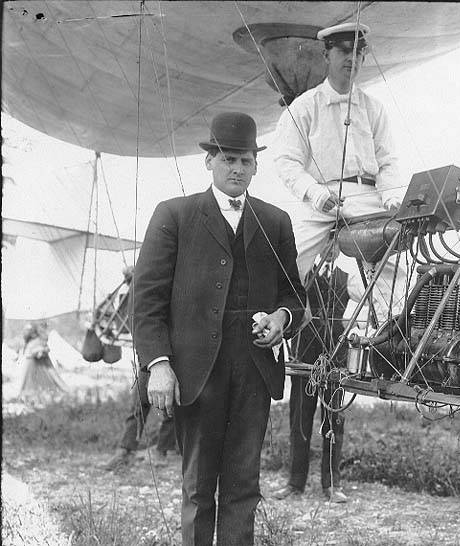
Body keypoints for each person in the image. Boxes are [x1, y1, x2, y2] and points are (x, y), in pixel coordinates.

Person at [132, 112, 306, 546]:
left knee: (243, 486)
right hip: (196, 372)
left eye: (246, 161)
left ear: (255, 165)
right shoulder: (174, 215)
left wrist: (280, 321)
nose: (237, 169)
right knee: (198, 487)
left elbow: (295, 297)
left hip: (253, 369)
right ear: (209, 160)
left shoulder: (275, 222)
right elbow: (147, 300)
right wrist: (158, 365)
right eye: (228, 158)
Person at [273, 22, 403, 282]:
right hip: (322, 199)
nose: (351, 58)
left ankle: (392, 322)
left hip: (367, 199)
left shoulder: (373, 108)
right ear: (326, 55)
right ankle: (276, 319)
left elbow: (387, 161)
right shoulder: (303, 107)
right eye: (343, 51)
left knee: (392, 272)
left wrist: (390, 196)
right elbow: (286, 161)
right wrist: (315, 192)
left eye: (358, 53)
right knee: (288, 263)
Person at [273, 261, 350, 503]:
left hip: (335, 356)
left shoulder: (347, 276)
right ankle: (295, 483)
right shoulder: (302, 272)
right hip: (304, 355)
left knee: (334, 422)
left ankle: (331, 485)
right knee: (299, 420)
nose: (331, 243)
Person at [101, 367, 177, 471]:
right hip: (150, 361)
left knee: (170, 407)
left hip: (175, 362)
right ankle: (125, 450)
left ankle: (162, 451)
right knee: (138, 405)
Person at [17, 322, 67, 403]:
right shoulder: (34, 342)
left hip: (36, 363)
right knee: (31, 382)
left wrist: (42, 350)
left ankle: (34, 397)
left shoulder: (37, 341)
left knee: (37, 382)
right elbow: (32, 352)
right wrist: (40, 350)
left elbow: (41, 350)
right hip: (32, 363)